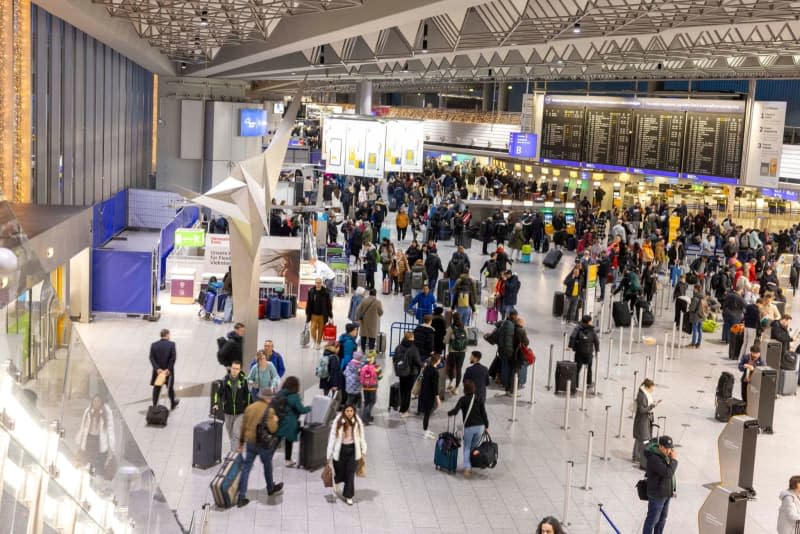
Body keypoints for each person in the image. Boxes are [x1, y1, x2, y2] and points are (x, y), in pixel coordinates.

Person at [236, 390, 284, 507]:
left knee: (246, 468)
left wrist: (241, 443)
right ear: (267, 398)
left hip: (250, 443)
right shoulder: (270, 410)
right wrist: (275, 420)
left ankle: (241, 497)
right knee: (267, 465)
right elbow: (272, 429)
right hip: (263, 445)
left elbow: (243, 427)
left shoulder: (249, 408)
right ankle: (270, 488)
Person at [447, 378, 489, 478]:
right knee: (474, 447)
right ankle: (472, 463)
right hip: (480, 427)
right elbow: (484, 413)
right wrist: (486, 425)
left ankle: (467, 468)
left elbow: (455, 411)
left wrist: (449, 413)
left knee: (466, 448)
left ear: (465, 389)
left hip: (469, 427)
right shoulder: (479, 398)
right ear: (474, 389)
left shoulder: (463, 399)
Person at [326, 404, 367, 506]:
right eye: (347, 411)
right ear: (344, 411)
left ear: (354, 412)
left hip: (353, 450)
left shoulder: (357, 421)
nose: (349, 413)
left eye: (351, 411)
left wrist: (363, 449)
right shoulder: (338, 421)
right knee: (340, 471)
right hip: (340, 451)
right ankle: (337, 480)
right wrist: (329, 453)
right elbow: (332, 437)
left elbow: (361, 436)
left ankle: (349, 495)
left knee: (350, 473)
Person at [642, 435, 678, 534]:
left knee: (662, 519)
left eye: (670, 448)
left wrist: (673, 489)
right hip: (657, 494)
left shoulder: (666, 456)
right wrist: (674, 461)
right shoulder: (654, 458)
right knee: (652, 521)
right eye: (666, 448)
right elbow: (668, 473)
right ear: (660, 446)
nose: (669, 450)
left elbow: (671, 475)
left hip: (666, 493)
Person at [215, 361, 252, 451]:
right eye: (234, 368)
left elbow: (247, 394)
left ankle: (233, 454)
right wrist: (215, 404)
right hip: (228, 412)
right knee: (230, 432)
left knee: (236, 432)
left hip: (240, 412)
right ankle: (237, 446)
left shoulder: (243, 381)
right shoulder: (224, 381)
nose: (235, 371)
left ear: (240, 370)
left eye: (237, 369)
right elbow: (217, 394)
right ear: (231, 368)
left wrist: (249, 407)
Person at [275, 376, 311, 467]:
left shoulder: (280, 393)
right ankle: (288, 460)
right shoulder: (294, 396)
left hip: (280, 419)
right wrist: (310, 408)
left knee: (277, 439)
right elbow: (301, 409)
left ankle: (268, 455)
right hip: (290, 422)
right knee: (288, 441)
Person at [75, 395, 116, 476]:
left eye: (98, 401)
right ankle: (85, 476)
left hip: (98, 442)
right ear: (92, 401)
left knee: (96, 463)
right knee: (85, 460)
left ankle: (93, 477)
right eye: (95, 401)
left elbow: (110, 430)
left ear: (101, 402)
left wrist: (112, 447)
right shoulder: (88, 411)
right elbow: (83, 426)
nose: (96, 403)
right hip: (89, 440)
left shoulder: (106, 413)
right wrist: (79, 439)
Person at [393, 331, 423, 417]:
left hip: (401, 372)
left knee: (402, 390)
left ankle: (402, 408)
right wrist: (422, 365)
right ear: (411, 338)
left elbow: (395, 359)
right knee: (408, 392)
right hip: (411, 373)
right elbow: (417, 362)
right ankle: (404, 411)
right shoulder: (413, 348)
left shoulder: (398, 347)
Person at [568, 315, 600, 390]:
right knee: (589, 368)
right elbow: (596, 342)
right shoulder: (592, 330)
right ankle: (589, 383)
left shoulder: (578, 328)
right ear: (589, 321)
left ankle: (575, 385)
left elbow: (572, 337)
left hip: (579, 352)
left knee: (577, 369)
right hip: (588, 353)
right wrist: (597, 351)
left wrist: (570, 347)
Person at [149, 328, 179, 410]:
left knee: (156, 389)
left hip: (158, 373)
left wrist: (157, 368)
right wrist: (168, 369)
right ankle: (172, 403)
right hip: (168, 373)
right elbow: (173, 358)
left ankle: (155, 405)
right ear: (167, 335)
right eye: (169, 335)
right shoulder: (172, 344)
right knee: (170, 388)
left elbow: (151, 358)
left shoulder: (154, 345)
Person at [633, 379, 660, 464]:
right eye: (651, 388)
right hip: (642, 420)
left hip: (644, 419)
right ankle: (640, 456)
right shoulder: (642, 396)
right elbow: (641, 410)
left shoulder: (645, 394)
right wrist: (651, 406)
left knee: (639, 438)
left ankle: (636, 456)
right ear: (647, 387)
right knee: (644, 438)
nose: (652, 390)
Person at [419, 352, 442, 439]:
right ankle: (425, 432)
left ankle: (426, 429)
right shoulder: (435, 372)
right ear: (437, 361)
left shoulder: (427, 368)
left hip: (424, 393)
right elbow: (435, 387)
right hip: (430, 396)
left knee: (427, 414)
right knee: (427, 414)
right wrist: (438, 399)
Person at [306, 277, 334, 349]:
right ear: (315, 283)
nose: (318, 284)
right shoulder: (311, 291)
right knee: (312, 329)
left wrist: (330, 315)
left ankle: (318, 343)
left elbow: (329, 304)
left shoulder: (325, 292)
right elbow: (308, 303)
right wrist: (307, 313)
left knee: (321, 330)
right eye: (317, 282)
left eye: (319, 283)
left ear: (321, 283)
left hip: (322, 315)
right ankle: (314, 341)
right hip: (313, 314)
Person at [444, 314, 468, 393]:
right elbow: (467, 339)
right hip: (462, 352)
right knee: (459, 369)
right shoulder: (464, 327)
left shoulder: (450, 328)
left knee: (451, 367)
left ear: (453, 319)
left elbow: (446, 341)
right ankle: (456, 387)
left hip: (452, 352)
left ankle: (450, 383)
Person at [359, 352, 382, 424]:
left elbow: (359, 373)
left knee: (367, 402)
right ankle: (364, 417)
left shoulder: (363, 365)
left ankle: (368, 416)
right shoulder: (376, 366)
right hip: (373, 387)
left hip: (365, 387)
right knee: (372, 401)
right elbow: (380, 376)